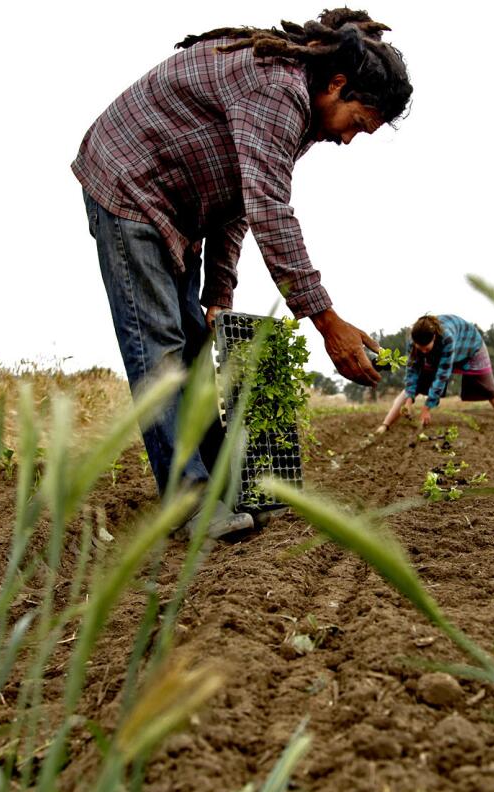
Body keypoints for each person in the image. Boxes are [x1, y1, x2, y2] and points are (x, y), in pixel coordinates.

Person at [73, 10, 412, 539]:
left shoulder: (300, 120)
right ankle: (187, 503)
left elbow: (237, 200)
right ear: (338, 85)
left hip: (182, 210)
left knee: (192, 349)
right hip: (129, 185)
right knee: (159, 349)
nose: (350, 140)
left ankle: (228, 487)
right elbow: (270, 209)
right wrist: (327, 323)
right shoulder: (279, 91)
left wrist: (220, 289)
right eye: (359, 124)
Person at [376, 315, 494, 440]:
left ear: (434, 338)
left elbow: (442, 375)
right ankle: (385, 425)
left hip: (470, 348)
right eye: (419, 348)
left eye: (426, 348)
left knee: (491, 390)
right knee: (413, 387)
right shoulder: (414, 341)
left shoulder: (446, 339)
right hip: (440, 351)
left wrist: (427, 408)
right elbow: (412, 372)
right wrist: (409, 400)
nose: (423, 352)